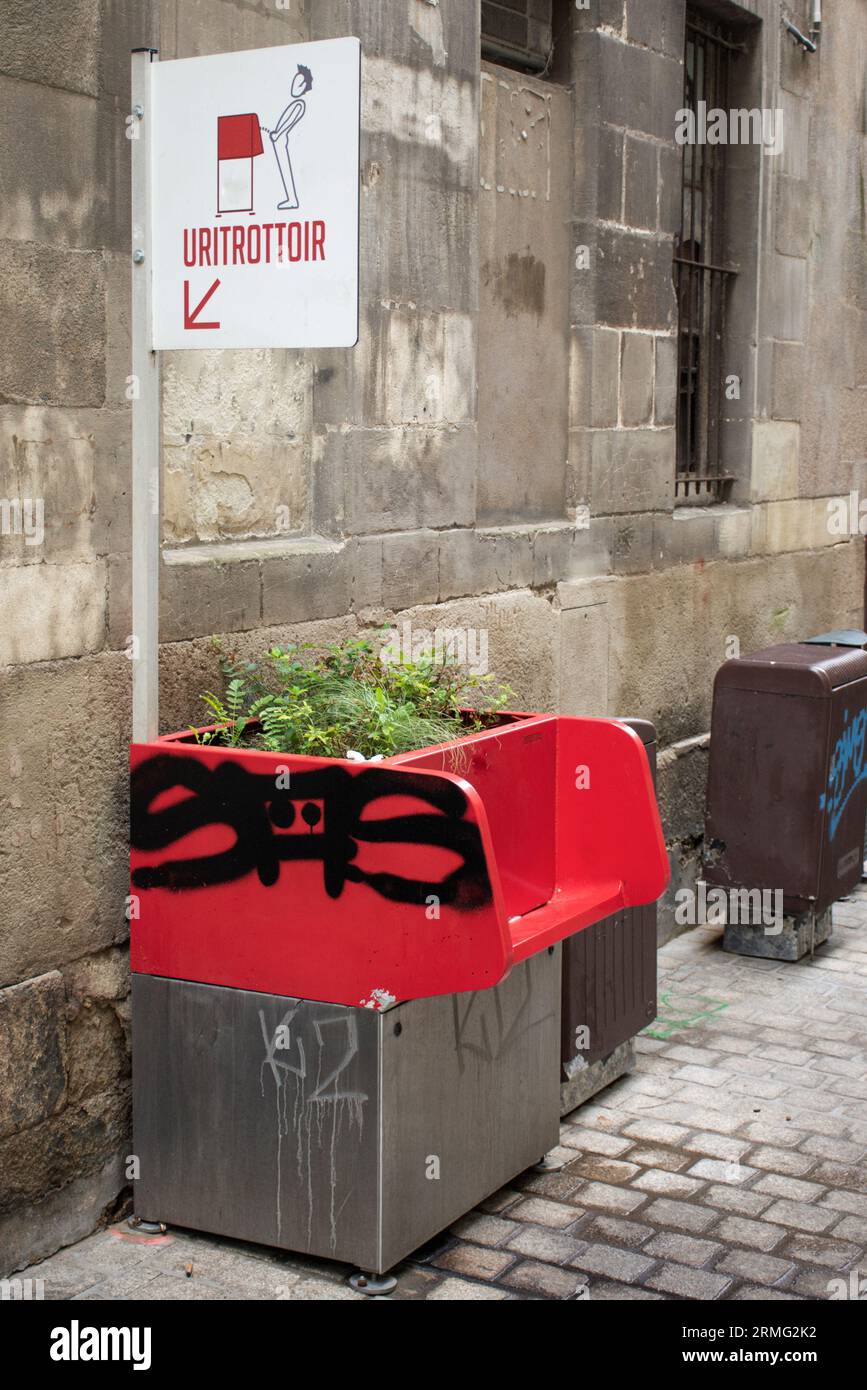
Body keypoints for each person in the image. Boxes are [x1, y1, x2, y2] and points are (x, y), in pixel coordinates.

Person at [265, 64, 313, 211]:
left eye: (298, 84)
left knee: (286, 170)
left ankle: (292, 199)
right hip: (278, 141)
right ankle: (290, 198)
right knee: (282, 170)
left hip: (281, 141)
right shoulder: (293, 103)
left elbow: (288, 123)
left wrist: (277, 134)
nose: (294, 86)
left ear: (304, 86)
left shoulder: (299, 104)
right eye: (293, 82)